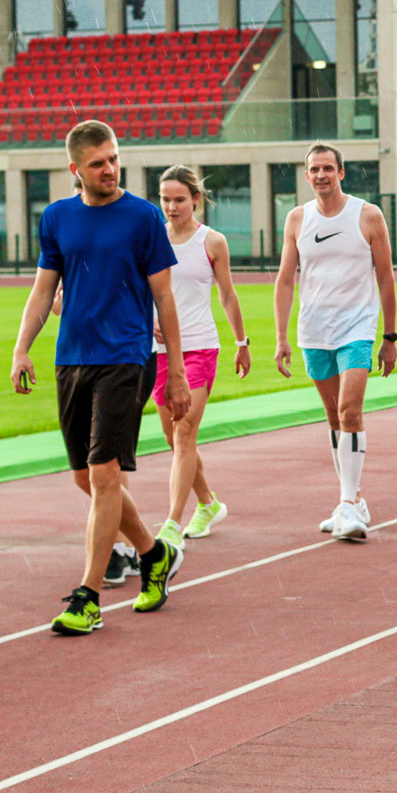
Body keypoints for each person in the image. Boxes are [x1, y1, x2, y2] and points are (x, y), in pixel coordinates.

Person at [12, 120, 189, 636]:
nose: (109, 169)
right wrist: (22, 348)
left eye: (113, 159)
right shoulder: (57, 218)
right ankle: (154, 553)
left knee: (106, 472)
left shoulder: (143, 217)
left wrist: (175, 371)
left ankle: (88, 596)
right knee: (84, 476)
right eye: (98, 163)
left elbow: (165, 300)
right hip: (72, 359)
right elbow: (44, 290)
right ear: (76, 170)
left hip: (127, 356)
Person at [273, 143, 397, 542]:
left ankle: (347, 504)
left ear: (341, 172)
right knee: (332, 416)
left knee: (350, 410)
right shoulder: (297, 219)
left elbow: (386, 277)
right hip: (314, 331)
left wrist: (390, 336)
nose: (321, 175)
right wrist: (280, 337)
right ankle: (353, 498)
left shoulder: (367, 215)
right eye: (314, 169)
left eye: (328, 168)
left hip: (357, 329)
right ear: (307, 175)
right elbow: (285, 280)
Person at [149, 166, 252, 552]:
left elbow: (227, 294)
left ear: (195, 198)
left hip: (199, 347)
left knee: (184, 430)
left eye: (179, 199)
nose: (172, 207)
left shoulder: (213, 242)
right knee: (174, 440)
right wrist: (148, 328)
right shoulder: (150, 239)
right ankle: (208, 503)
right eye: (165, 199)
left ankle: (172, 523)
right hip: (159, 351)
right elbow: (142, 293)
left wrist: (241, 342)